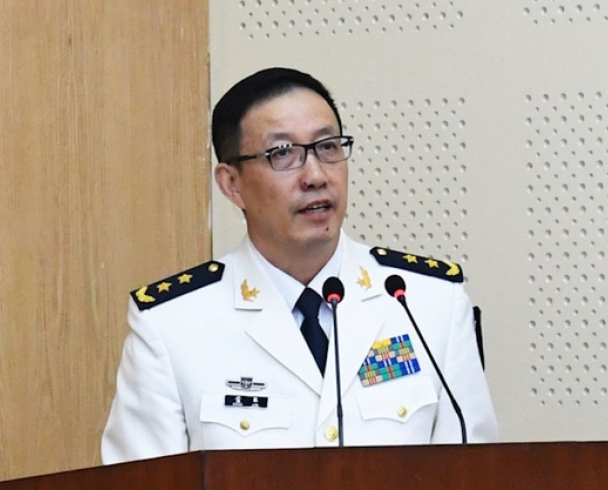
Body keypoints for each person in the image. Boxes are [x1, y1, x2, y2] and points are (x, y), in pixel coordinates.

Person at [101, 67, 499, 464]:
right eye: (283, 154)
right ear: (232, 184)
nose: (316, 176)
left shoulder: (427, 303)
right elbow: (140, 484)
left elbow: (474, 476)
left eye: (328, 147)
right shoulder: (172, 325)